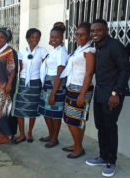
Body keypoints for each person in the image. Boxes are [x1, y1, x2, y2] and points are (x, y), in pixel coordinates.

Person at [85, 19, 130, 177]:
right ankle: (103, 156)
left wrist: (116, 93)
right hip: (100, 92)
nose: (95, 34)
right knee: (100, 125)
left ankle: (111, 161)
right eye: (92, 31)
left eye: (98, 30)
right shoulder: (97, 47)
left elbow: (125, 70)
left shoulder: (115, 46)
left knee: (110, 127)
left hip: (112, 95)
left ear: (106, 30)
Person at [60, 22, 95, 158]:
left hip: (81, 89)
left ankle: (79, 148)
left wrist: (82, 94)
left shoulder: (89, 51)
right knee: (73, 119)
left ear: (89, 36)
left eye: (82, 35)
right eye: (77, 34)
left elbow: (89, 73)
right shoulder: (78, 49)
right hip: (72, 87)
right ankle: (77, 144)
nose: (79, 37)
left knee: (73, 120)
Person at [11, 28, 48, 144]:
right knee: (19, 109)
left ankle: (30, 132)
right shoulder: (22, 52)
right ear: (27, 38)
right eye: (32, 37)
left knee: (33, 109)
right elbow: (21, 68)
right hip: (23, 82)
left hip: (36, 83)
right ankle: (21, 134)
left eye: (37, 37)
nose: (35, 40)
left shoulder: (43, 51)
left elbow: (44, 69)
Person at [38, 24, 68, 148]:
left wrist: (53, 93)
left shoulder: (61, 52)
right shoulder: (54, 50)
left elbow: (60, 74)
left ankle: (55, 138)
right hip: (48, 84)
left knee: (55, 114)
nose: (53, 39)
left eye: (56, 37)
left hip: (55, 85)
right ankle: (51, 135)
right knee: (46, 112)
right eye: (51, 36)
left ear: (62, 38)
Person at [0, 27, 18, 144]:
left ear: (7, 38)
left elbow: (12, 70)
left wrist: (9, 85)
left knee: (3, 111)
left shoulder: (10, 51)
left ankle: (7, 134)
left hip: (3, 87)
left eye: (1, 37)